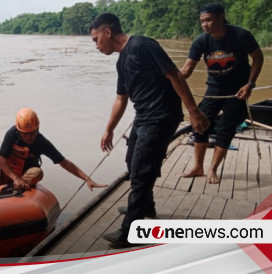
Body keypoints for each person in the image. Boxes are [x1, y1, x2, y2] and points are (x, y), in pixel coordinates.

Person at [89, 13, 209, 247]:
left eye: (95, 39)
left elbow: (174, 74)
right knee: (131, 161)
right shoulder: (121, 61)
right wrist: (109, 129)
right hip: (143, 117)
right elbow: (120, 100)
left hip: (162, 116)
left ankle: (130, 232)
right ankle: (146, 206)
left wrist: (193, 111)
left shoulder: (142, 45)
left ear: (108, 32)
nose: (96, 45)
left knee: (142, 170)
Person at [181, 3, 264, 184]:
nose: (205, 25)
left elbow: (258, 58)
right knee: (199, 124)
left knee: (226, 129)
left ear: (221, 17)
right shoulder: (201, 41)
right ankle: (198, 166)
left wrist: (250, 84)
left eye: (208, 20)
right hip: (214, 88)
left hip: (238, 90)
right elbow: (186, 71)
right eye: (202, 21)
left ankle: (212, 169)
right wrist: (167, 80)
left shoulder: (241, 35)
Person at [0, 108, 107, 195]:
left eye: (33, 133)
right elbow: (1, 158)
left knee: (38, 172)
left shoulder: (41, 142)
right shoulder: (12, 134)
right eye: (25, 134)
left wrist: (87, 179)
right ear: (19, 131)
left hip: (27, 174)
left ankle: (15, 190)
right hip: (10, 172)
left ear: (38, 128)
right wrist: (15, 177)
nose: (30, 137)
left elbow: (64, 162)